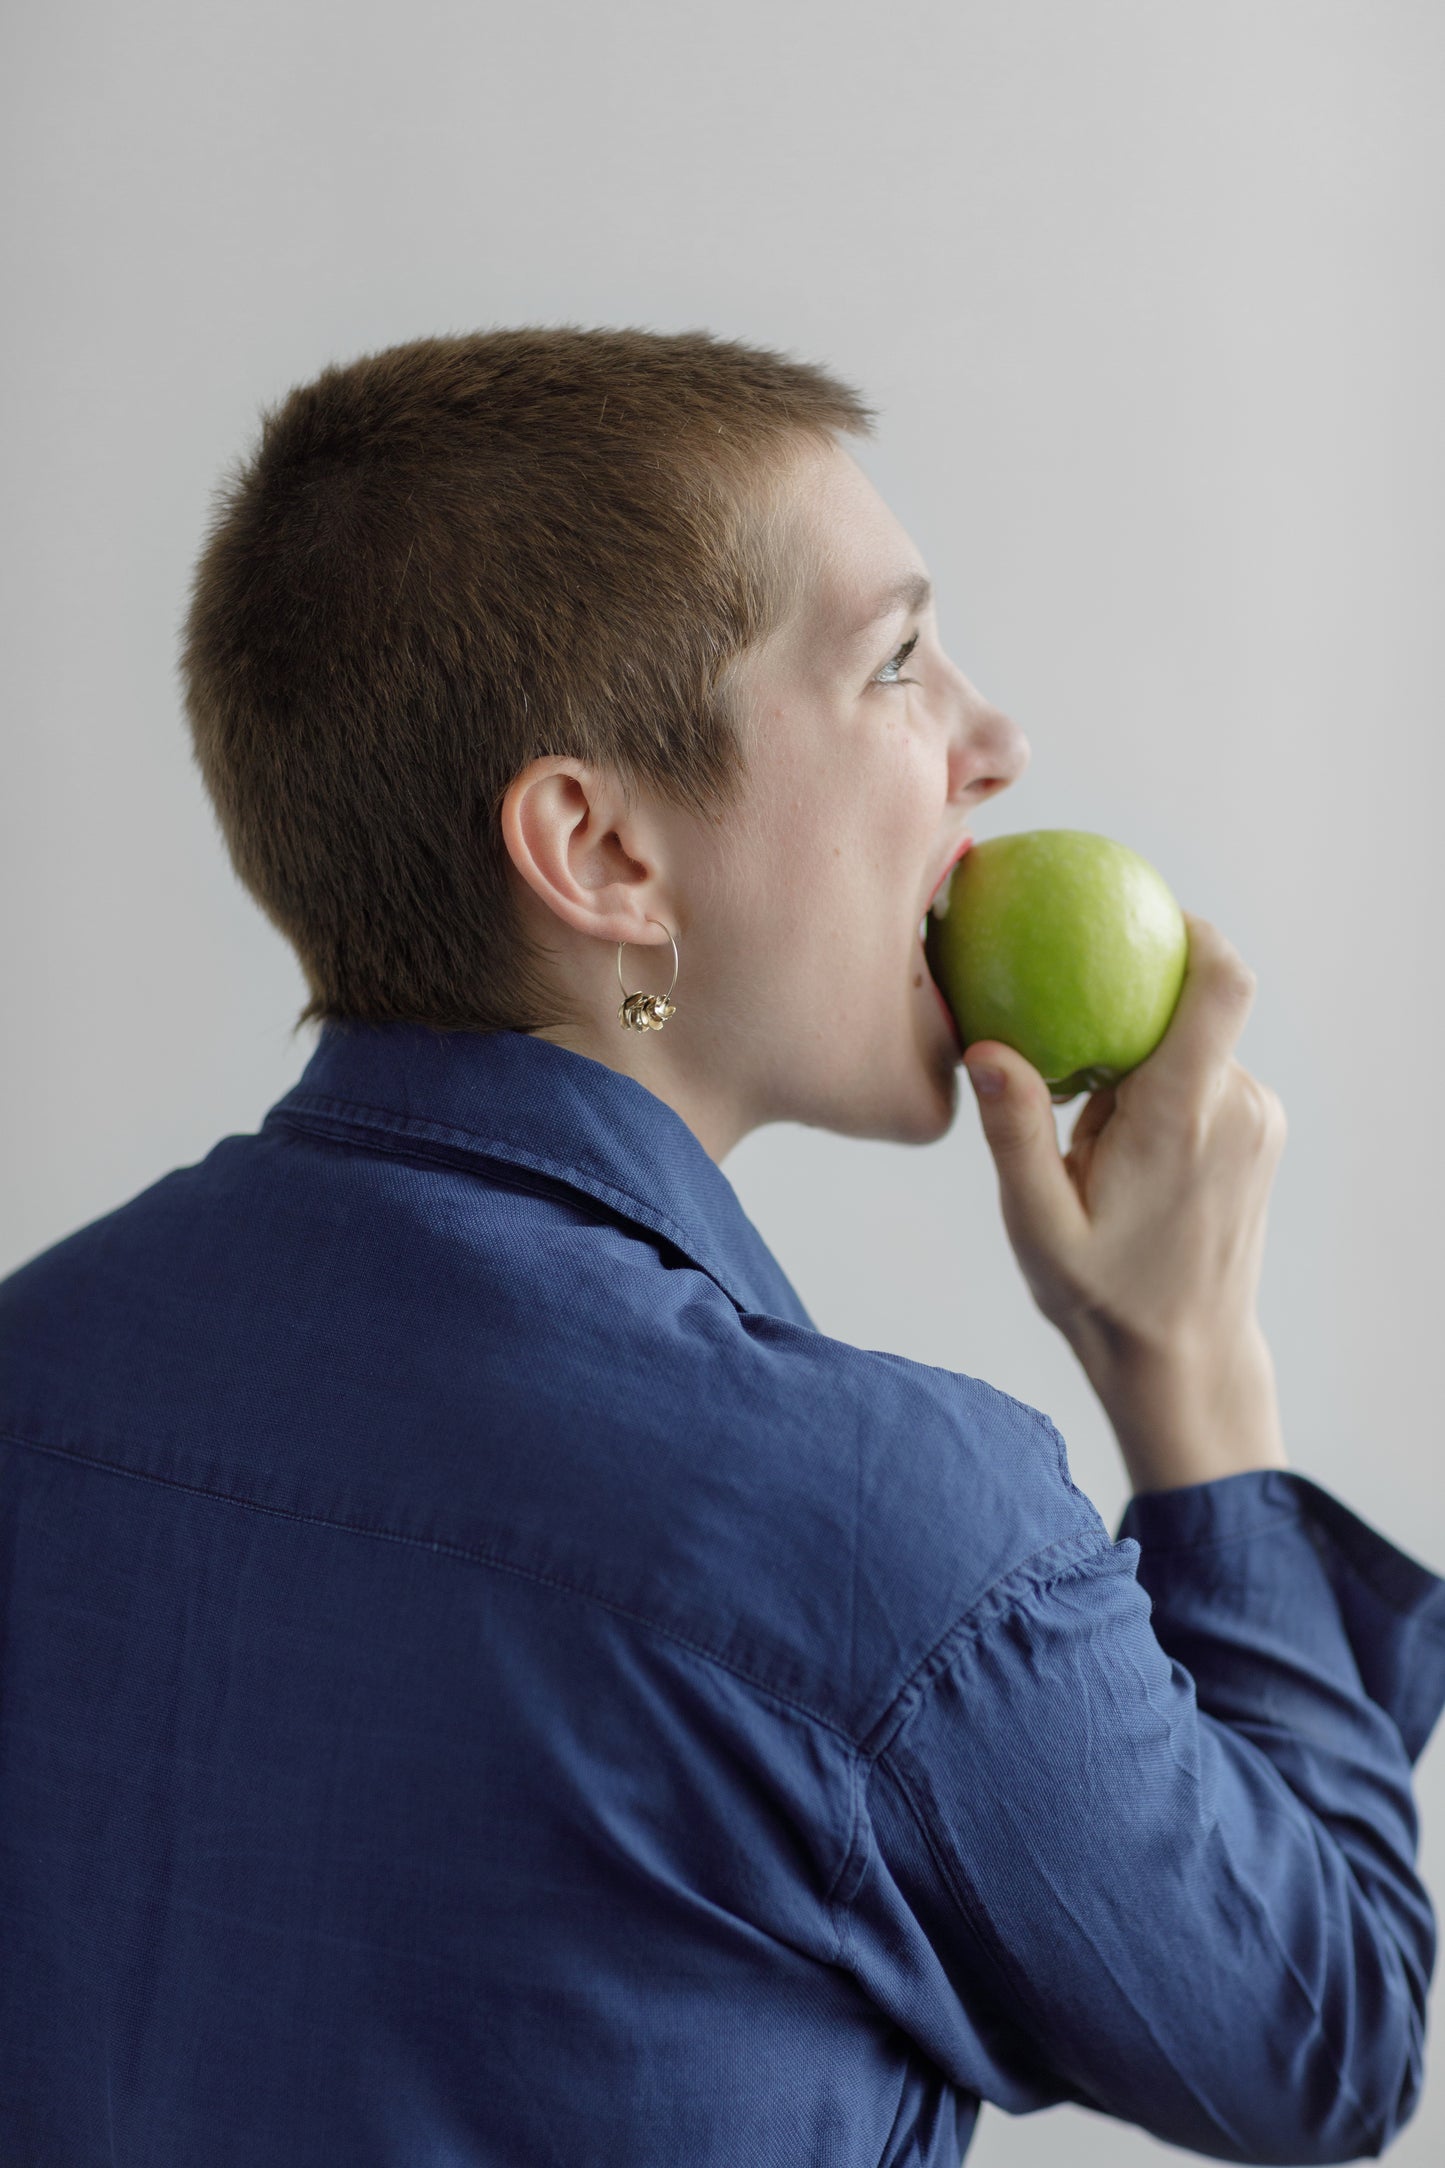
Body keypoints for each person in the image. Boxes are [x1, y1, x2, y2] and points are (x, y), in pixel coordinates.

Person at [0, 326, 1439, 2166]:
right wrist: (1194, 1372)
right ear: (600, 849)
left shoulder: (34, 1372)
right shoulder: (877, 1531)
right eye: (894, 664)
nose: (993, 746)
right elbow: (1323, 2039)